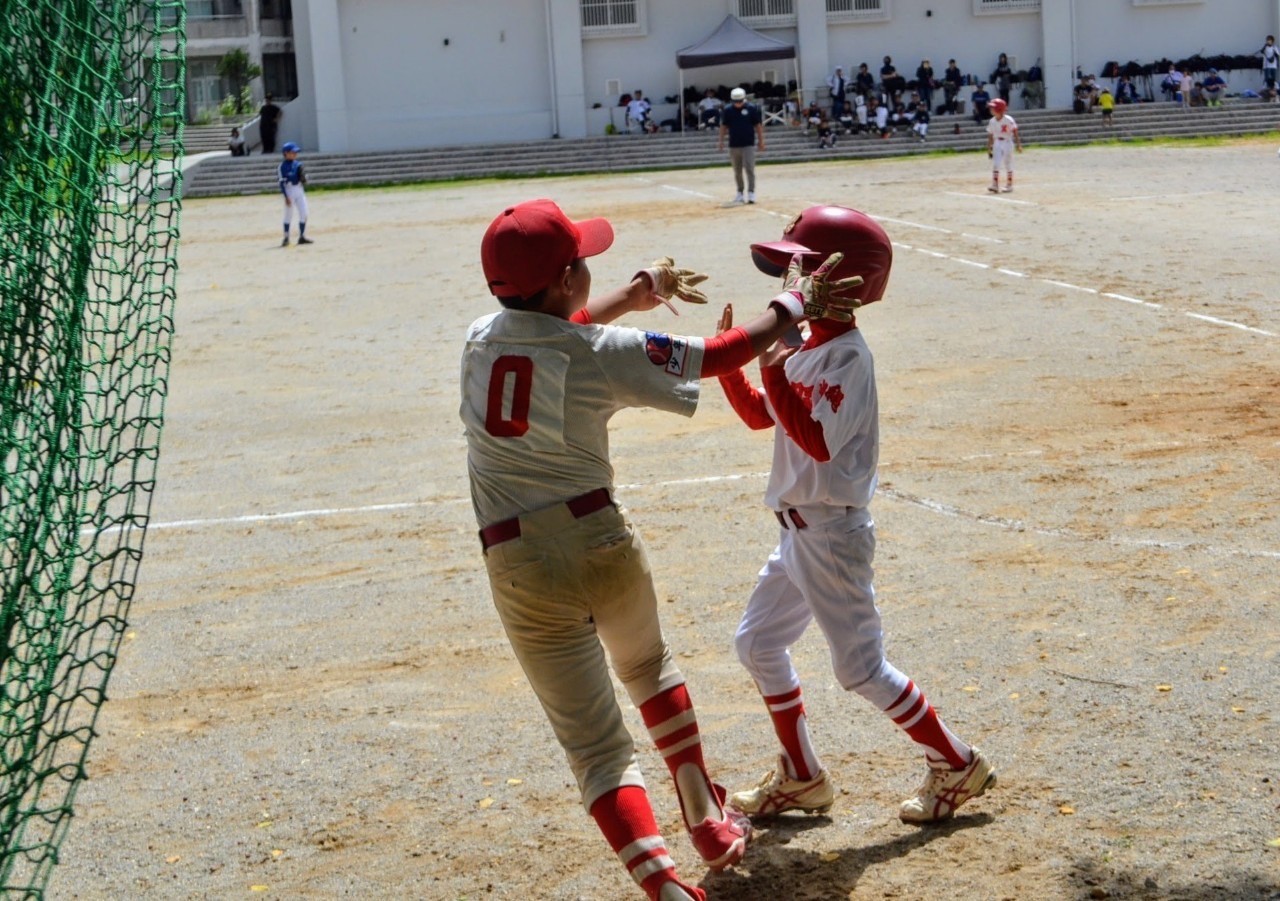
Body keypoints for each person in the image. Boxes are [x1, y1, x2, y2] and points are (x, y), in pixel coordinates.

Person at [460, 197, 840, 901]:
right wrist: (794, 301)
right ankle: (705, 818)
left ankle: (663, 884)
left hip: (516, 562)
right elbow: (720, 352)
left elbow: (552, 332)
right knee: (648, 666)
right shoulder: (600, 354)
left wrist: (634, 296)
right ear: (567, 277)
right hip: (600, 539)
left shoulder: (480, 338)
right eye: (582, 262)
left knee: (597, 749)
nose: (587, 268)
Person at [715, 205, 997, 828]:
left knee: (861, 669)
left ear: (847, 283)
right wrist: (739, 372)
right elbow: (770, 414)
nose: (793, 284)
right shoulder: (809, 343)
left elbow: (815, 439)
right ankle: (802, 777)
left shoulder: (848, 359)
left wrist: (767, 362)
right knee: (759, 643)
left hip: (831, 532)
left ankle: (957, 762)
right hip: (797, 530)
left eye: (805, 273)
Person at [717, 87, 764, 204]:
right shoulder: (728, 110)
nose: (738, 104)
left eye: (740, 101)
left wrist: (761, 141)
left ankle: (751, 193)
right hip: (734, 145)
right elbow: (724, 127)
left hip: (748, 144)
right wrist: (721, 141)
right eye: (736, 102)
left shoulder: (751, 109)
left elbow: (758, 126)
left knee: (749, 169)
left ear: (744, 99)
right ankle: (740, 193)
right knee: (737, 171)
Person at [277, 141, 312, 246]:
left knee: (304, 213)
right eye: (292, 152)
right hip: (289, 190)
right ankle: (286, 237)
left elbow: (303, 177)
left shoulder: (298, 164)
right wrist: (286, 196)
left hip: (299, 190)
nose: (295, 154)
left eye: (295, 152)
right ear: (286, 153)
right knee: (288, 215)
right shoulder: (282, 167)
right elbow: (281, 183)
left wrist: (305, 179)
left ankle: (302, 236)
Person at [985, 97, 1022, 193]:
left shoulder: (1008, 119)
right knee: (996, 164)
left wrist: (1018, 145)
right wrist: (989, 147)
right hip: (997, 142)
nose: (991, 110)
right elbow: (990, 135)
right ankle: (995, 185)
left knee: (1007, 163)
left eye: (993, 108)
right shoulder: (992, 121)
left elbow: (1015, 131)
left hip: (1007, 142)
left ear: (999, 109)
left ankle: (1009, 185)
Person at [1262, 35, 1279, 101]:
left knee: (1273, 79)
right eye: (1267, 40)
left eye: (1270, 40)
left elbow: (1277, 55)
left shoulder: (1275, 47)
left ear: (1272, 41)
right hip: (1266, 66)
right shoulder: (1265, 47)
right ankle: (1267, 92)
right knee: (1267, 79)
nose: (1268, 41)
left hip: (1273, 66)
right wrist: (1265, 46)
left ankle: (1273, 92)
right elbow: (1262, 51)